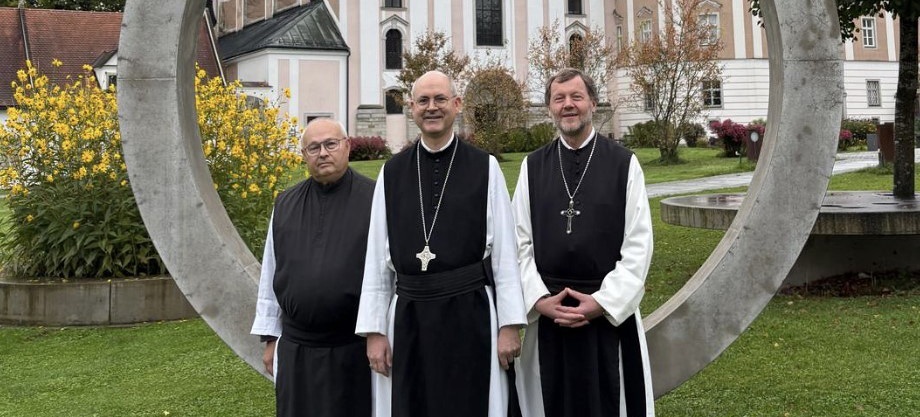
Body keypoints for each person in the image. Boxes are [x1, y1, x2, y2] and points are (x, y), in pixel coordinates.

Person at [355, 70, 527, 417]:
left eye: (440, 99)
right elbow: (376, 259)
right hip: (409, 316)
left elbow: (506, 255)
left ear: (457, 105)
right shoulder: (391, 172)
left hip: (471, 312)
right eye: (423, 101)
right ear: (411, 108)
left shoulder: (485, 167)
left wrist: (509, 325)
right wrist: (374, 331)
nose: (431, 108)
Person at [511, 68, 656, 417]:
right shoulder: (533, 167)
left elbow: (638, 244)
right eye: (559, 99)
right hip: (550, 316)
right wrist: (539, 299)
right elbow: (519, 242)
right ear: (549, 108)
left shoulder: (624, 164)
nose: (568, 105)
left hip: (605, 316)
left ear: (592, 102)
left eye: (576, 97)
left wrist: (602, 303)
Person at [251, 118, 375, 417]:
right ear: (304, 155)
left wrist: (380, 335)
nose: (323, 153)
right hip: (298, 348)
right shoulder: (285, 204)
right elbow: (271, 272)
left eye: (331, 144)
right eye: (314, 147)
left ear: (347, 146)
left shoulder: (375, 198)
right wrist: (270, 339)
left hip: (353, 348)